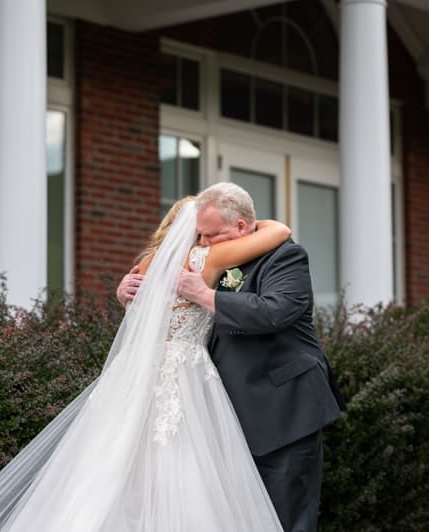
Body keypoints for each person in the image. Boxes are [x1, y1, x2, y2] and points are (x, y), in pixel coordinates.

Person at [0, 195, 292, 531]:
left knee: (114, 460)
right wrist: (241, 222)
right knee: (182, 464)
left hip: (133, 372)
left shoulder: (145, 265)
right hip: (184, 371)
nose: (205, 236)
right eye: (201, 228)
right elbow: (280, 232)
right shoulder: (208, 258)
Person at [119, 183, 346, 532]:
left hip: (282, 406)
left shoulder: (284, 256)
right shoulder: (209, 257)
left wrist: (208, 297)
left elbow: (276, 311)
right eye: (200, 235)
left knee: (287, 515)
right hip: (220, 412)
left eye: (211, 235)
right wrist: (130, 293)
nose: (204, 243)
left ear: (241, 227)